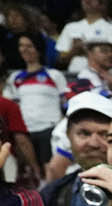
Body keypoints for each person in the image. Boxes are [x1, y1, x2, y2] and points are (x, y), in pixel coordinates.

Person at [4, 31, 66, 165]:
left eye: (29, 46)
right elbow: (8, 108)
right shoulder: (14, 78)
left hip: (49, 130)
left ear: (38, 49)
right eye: (21, 46)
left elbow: (65, 104)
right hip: (24, 133)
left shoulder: (54, 75)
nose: (24, 50)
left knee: (50, 172)